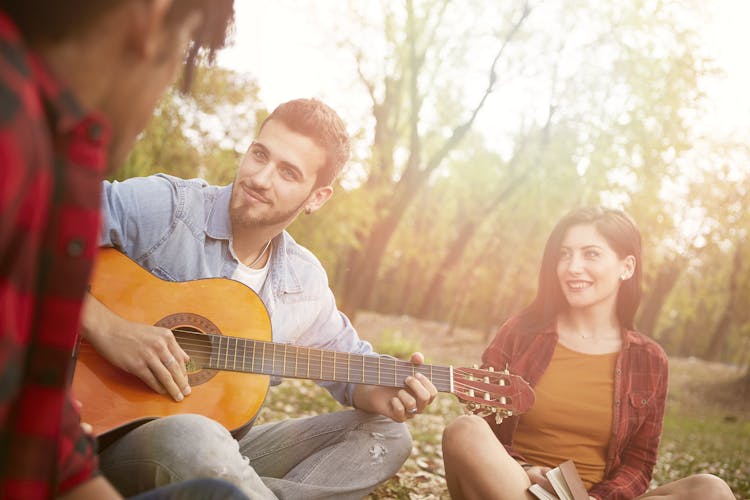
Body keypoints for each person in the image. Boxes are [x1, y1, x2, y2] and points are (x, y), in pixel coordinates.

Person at [80, 97, 439, 499]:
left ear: (317, 198)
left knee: (386, 435)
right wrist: (106, 326)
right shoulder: (168, 209)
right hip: (99, 443)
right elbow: (27, 220)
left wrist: (382, 391)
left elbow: (348, 365)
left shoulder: (303, 282)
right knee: (197, 435)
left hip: (217, 454)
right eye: (259, 154)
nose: (260, 178)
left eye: (287, 172)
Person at [0, 1, 246, 499]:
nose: (159, 98)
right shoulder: (16, 138)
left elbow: (44, 434)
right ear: (153, 19)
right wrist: (108, 325)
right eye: (183, 57)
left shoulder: (55, 150)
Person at [441, 207, 735, 500]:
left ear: (627, 267)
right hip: (516, 488)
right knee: (466, 430)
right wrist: (525, 468)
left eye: (591, 254)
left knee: (710, 489)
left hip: (596, 498)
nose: (572, 267)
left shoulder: (650, 360)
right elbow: (486, 429)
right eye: (565, 254)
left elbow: (639, 463)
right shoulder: (521, 332)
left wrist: (599, 498)